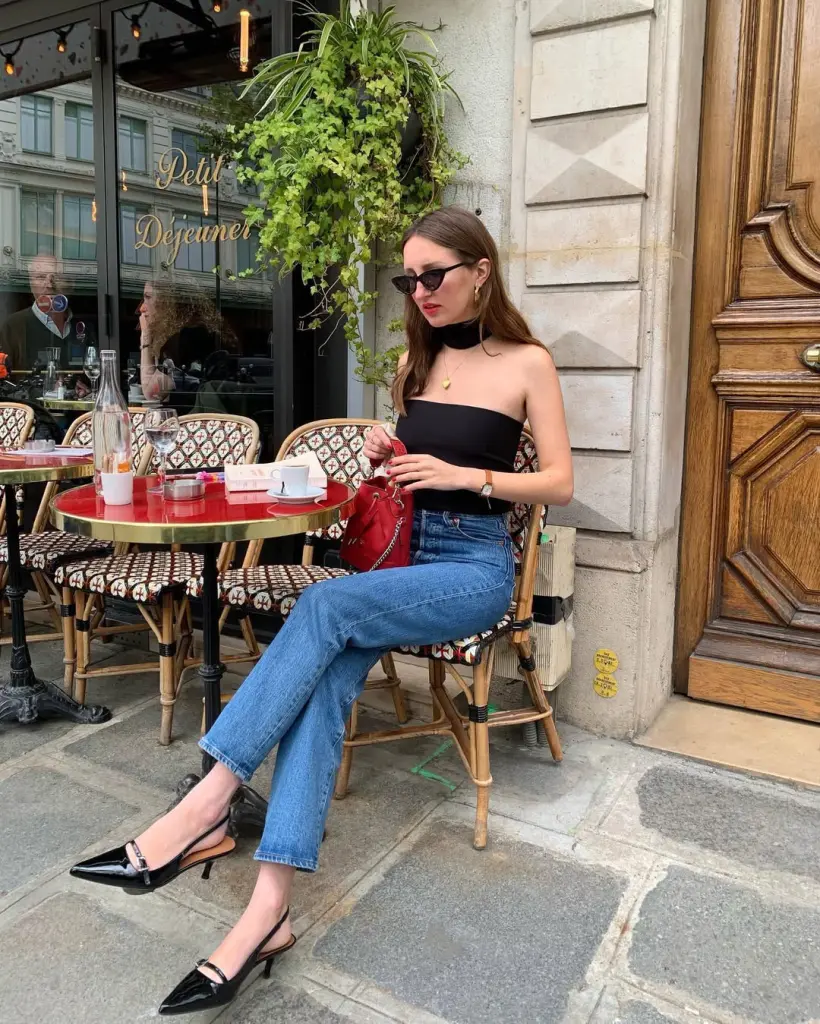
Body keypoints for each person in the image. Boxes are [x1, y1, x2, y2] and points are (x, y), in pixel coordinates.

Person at [69, 206, 574, 1016]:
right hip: (408, 559)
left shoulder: (528, 363)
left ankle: (207, 803)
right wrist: (392, 452)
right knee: (332, 664)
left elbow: (557, 482)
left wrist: (463, 475)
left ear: (481, 270)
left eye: (434, 276)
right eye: (410, 280)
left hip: (475, 566)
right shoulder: (419, 361)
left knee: (327, 607)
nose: (421, 293)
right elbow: (407, 472)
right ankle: (267, 913)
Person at [137, 280, 234, 402]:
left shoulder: (183, 338)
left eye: (148, 297)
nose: (142, 308)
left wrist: (145, 336)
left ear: (168, 302)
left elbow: (151, 394)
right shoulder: (195, 333)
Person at [0, 253, 96, 372]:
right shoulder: (13, 326)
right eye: (40, 277)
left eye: (56, 278)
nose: (50, 285)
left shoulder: (85, 327)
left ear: (71, 284)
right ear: (30, 284)